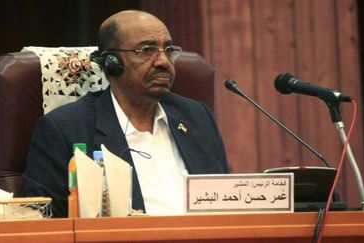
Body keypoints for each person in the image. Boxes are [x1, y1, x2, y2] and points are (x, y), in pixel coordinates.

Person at [22, 10, 229, 217]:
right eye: (146, 50)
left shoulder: (197, 118)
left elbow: (226, 203)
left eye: (168, 50)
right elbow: (43, 219)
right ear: (111, 62)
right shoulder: (65, 129)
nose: (164, 61)